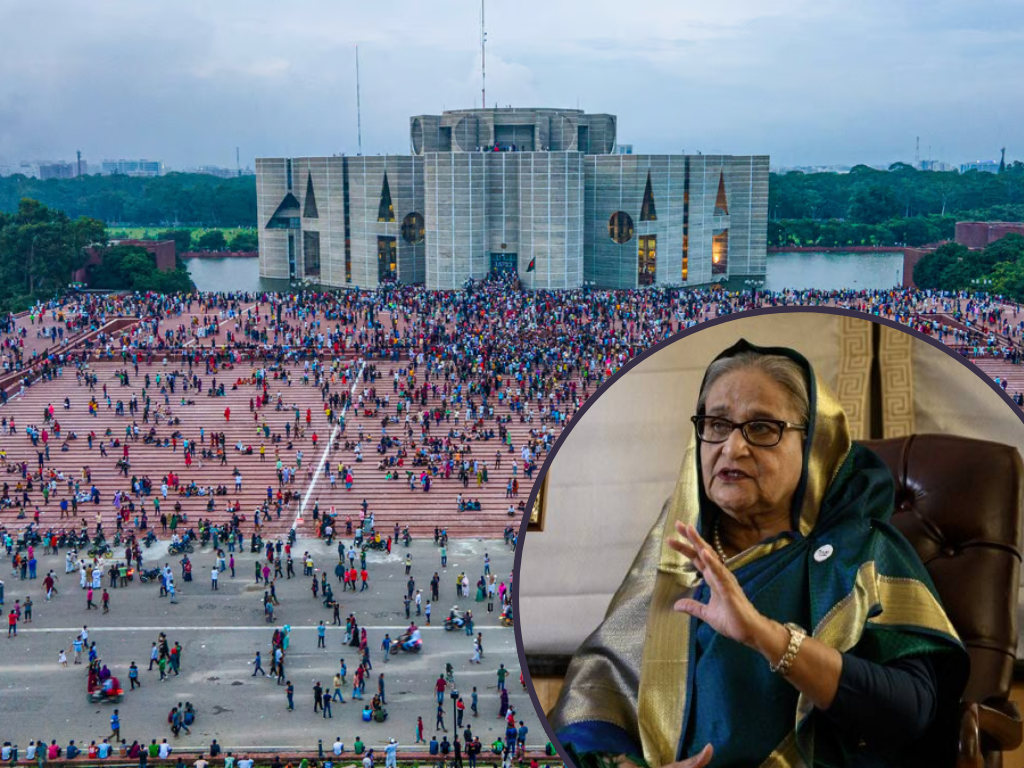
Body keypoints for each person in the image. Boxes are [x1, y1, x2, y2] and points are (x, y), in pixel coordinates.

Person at [549, 340, 970, 768]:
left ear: (814, 445)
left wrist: (768, 637)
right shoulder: (675, 553)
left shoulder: (860, 551)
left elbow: (911, 711)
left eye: (763, 428)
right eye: (716, 424)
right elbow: (596, 703)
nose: (732, 448)